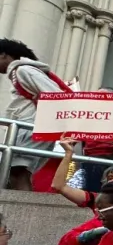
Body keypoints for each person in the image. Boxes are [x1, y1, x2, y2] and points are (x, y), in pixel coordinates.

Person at [0, 39, 73, 190]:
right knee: (14, 172)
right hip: (34, 128)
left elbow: (56, 95)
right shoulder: (22, 71)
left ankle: (21, 205)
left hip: (33, 128)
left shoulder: (23, 70)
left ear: (3, 55)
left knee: (17, 171)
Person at [81, 88, 113, 193]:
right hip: (87, 160)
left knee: (102, 194)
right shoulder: (87, 117)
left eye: (102, 97)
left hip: (106, 162)